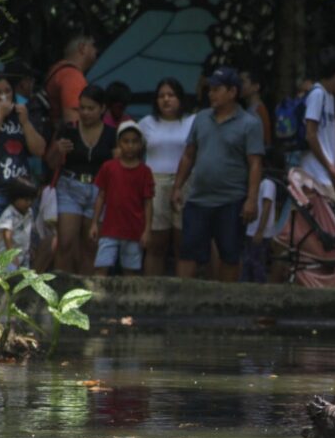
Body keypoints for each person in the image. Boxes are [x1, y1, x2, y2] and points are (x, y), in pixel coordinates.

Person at [171, 67, 265, 283]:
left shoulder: (250, 123)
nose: (211, 94)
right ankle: (182, 297)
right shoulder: (201, 118)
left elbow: (255, 164)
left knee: (229, 255)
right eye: (210, 89)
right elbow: (188, 155)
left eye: (216, 89)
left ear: (232, 92)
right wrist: (177, 187)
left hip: (231, 200)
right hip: (198, 198)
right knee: (187, 251)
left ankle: (227, 300)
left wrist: (251, 199)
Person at [47, 84, 117, 275]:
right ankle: (61, 286)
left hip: (99, 192)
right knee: (65, 242)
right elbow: (50, 163)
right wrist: (57, 150)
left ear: (102, 108)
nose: (85, 113)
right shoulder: (68, 130)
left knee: (91, 245)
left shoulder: (112, 134)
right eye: (82, 108)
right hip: (70, 187)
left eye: (90, 108)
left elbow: (116, 167)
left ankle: (85, 288)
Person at [0, 75, 47, 254]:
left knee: (19, 246)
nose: (4, 97)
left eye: (7, 91)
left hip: (19, 194)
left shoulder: (22, 116)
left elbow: (39, 149)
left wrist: (25, 122)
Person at [138, 78, 195, 276]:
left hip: (185, 184)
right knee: (155, 244)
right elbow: (129, 150)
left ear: (180, 98)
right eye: (161, 96)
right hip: (155, 184)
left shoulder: (192, 121)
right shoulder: (146, 123)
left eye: (171, 95)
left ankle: (182, 291)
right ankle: (151, 290)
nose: (166, 99)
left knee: (183, 244)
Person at [90, 121, 154, 276]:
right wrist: (94, 223)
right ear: (119, 143)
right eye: (126, 141)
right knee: (101, 268)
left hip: (134, 230)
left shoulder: (145, 171)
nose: (130, 146)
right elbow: (101, 196)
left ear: (140, 144)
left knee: (130, 272)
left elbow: (148, 203)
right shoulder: (109, 167)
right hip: (109, 229)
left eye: (134, 141)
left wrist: (147, 230)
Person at [300, 47, 335, 198]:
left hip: (325, 172)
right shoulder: (317, 94)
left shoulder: (330, 96)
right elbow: (311, 135)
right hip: (314, 172)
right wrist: (330, 167)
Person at [45, 33, 98, 125]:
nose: (96, 50)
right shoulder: (72, 76)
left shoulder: (58, 70)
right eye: (93, 46)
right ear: (82, 48)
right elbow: (73, 120)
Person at [240, 171, 277, 283]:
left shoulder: (268, 183)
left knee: (257, 264)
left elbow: (267, 206)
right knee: (248, 262)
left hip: (259, 233)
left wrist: (260, 231)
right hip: (251, 231)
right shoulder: (260, 184)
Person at [0, 177, 37, 271]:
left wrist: (30, 247)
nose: (29, 203)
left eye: (31, 200)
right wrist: (12, 255)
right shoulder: (9, 213)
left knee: (24, 277)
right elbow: (7, 234)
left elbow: (28, 231)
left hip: (23, 255)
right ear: (15, 198)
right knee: (8, 276)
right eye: (26, 200)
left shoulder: (29, 212)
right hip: (7, 257)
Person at [240, 68, 272, 149]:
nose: (239, 85)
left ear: (256, 87)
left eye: (243, 82)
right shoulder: (250, 109)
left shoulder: (259, 111)